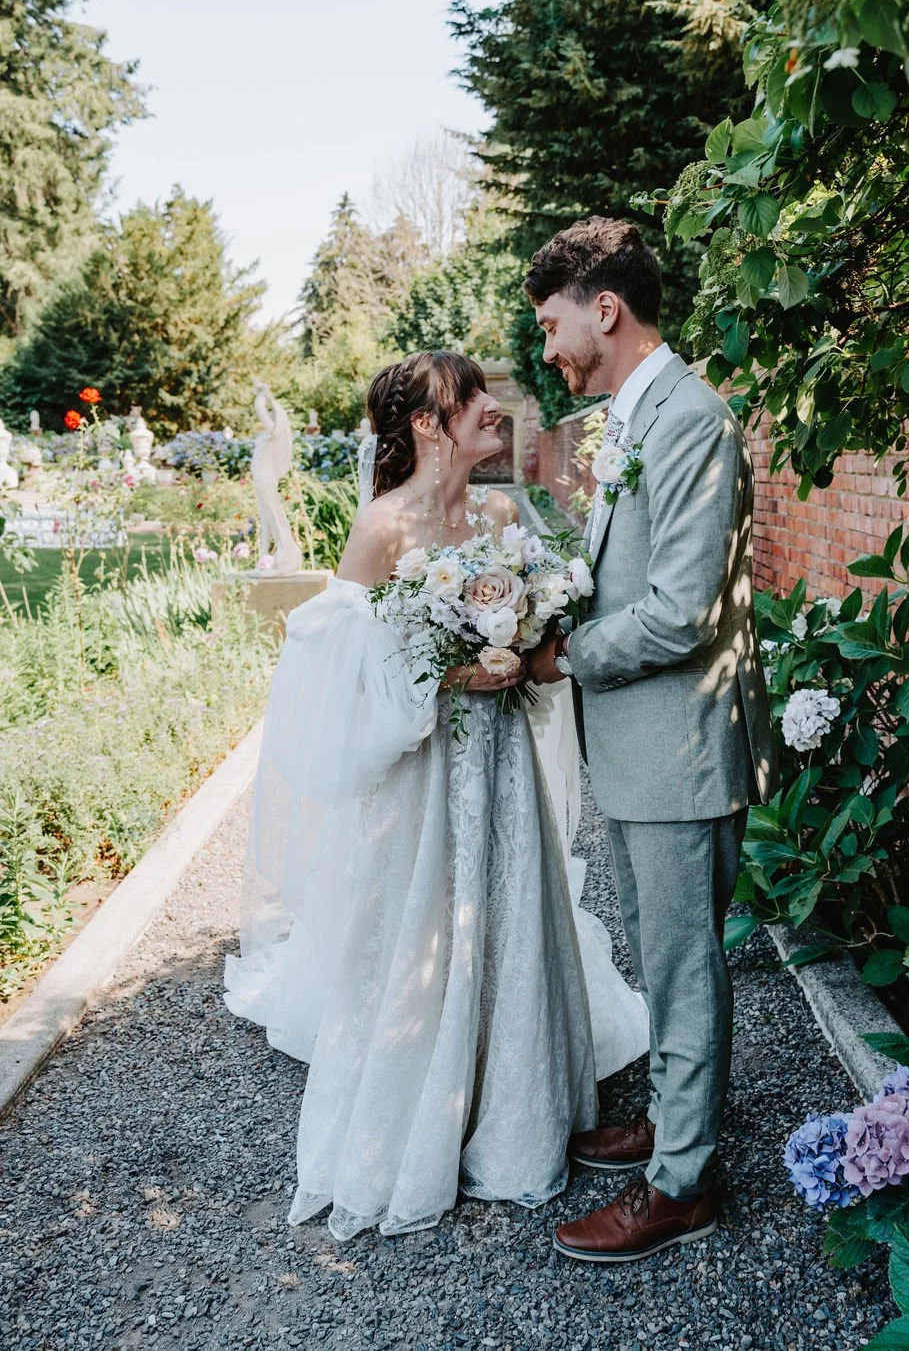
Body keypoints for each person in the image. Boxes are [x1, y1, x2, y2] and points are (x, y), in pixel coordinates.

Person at [224, 350, 647, 1242]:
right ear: (428, 424)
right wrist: (455, 674)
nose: (494, 410)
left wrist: (530, 634)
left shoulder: (501, 509)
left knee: (515, 912)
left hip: (505, 765)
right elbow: (344, 667)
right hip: (425, 770)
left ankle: (520, 1094)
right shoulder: (382, 529)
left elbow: (541, 620)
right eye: (475, 400)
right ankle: (436, 1099)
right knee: (433, 927)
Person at [524, 217, 778, 1263]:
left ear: (606, 310)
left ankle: (682, 1185)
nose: (546, 350)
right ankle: (678, 1122)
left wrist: (561, 656)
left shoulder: (688, 420)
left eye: (551, 325)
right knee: (659, 949)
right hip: (637, 746)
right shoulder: (633, 417)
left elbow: (681, 610)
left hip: (675, 746)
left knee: (679, 968)